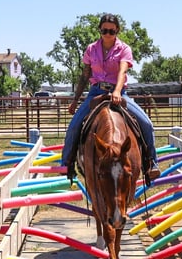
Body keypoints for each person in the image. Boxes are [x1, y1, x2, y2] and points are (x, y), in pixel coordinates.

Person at [61, 13, 161, 182]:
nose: (107, 34)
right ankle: (66, 164)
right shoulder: (91, 49)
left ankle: (151, 163)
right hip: (95, 92)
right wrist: (76, 100)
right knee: (73, 126)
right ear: (100, 30)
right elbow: (85, 76)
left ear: (117, 30)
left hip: (119, 92)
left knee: (146, 123)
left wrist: (117, 91)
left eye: (111, 31)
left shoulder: (124, 49)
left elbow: (122, 71)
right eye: (104, 30)